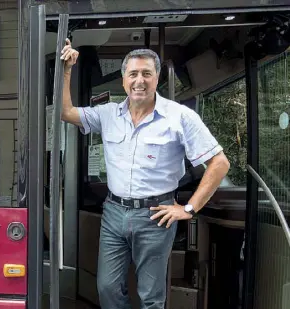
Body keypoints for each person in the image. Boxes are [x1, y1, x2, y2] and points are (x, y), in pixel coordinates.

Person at [59, 39, 230, 309]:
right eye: (133, 74)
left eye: (146, 74)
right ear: (124, 80)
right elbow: (65, 112)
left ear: (157, 78)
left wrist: (188, 208)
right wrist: (67, 70)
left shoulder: (179, 117)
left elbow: (219, 163)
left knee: (151, 296)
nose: (140, 80)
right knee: (107, 288)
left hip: (155, 215)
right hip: (114, 213)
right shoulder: (108, 114)